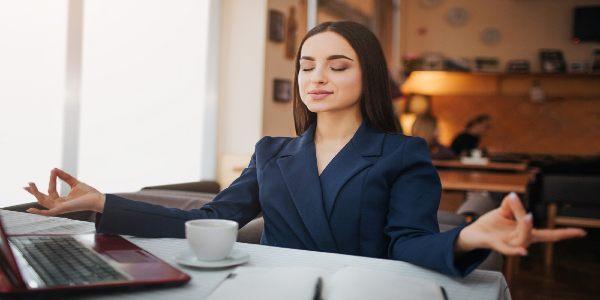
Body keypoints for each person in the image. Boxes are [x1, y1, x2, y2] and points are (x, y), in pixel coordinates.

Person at [24, 21, 585, 277]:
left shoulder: (402, 153)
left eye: (337, 65)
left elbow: (410, 245)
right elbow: (213, 219)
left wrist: (465, 236)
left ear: (367, 76)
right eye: (306, 65)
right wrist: (102, 204)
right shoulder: (271, 153)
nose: (316, 76)